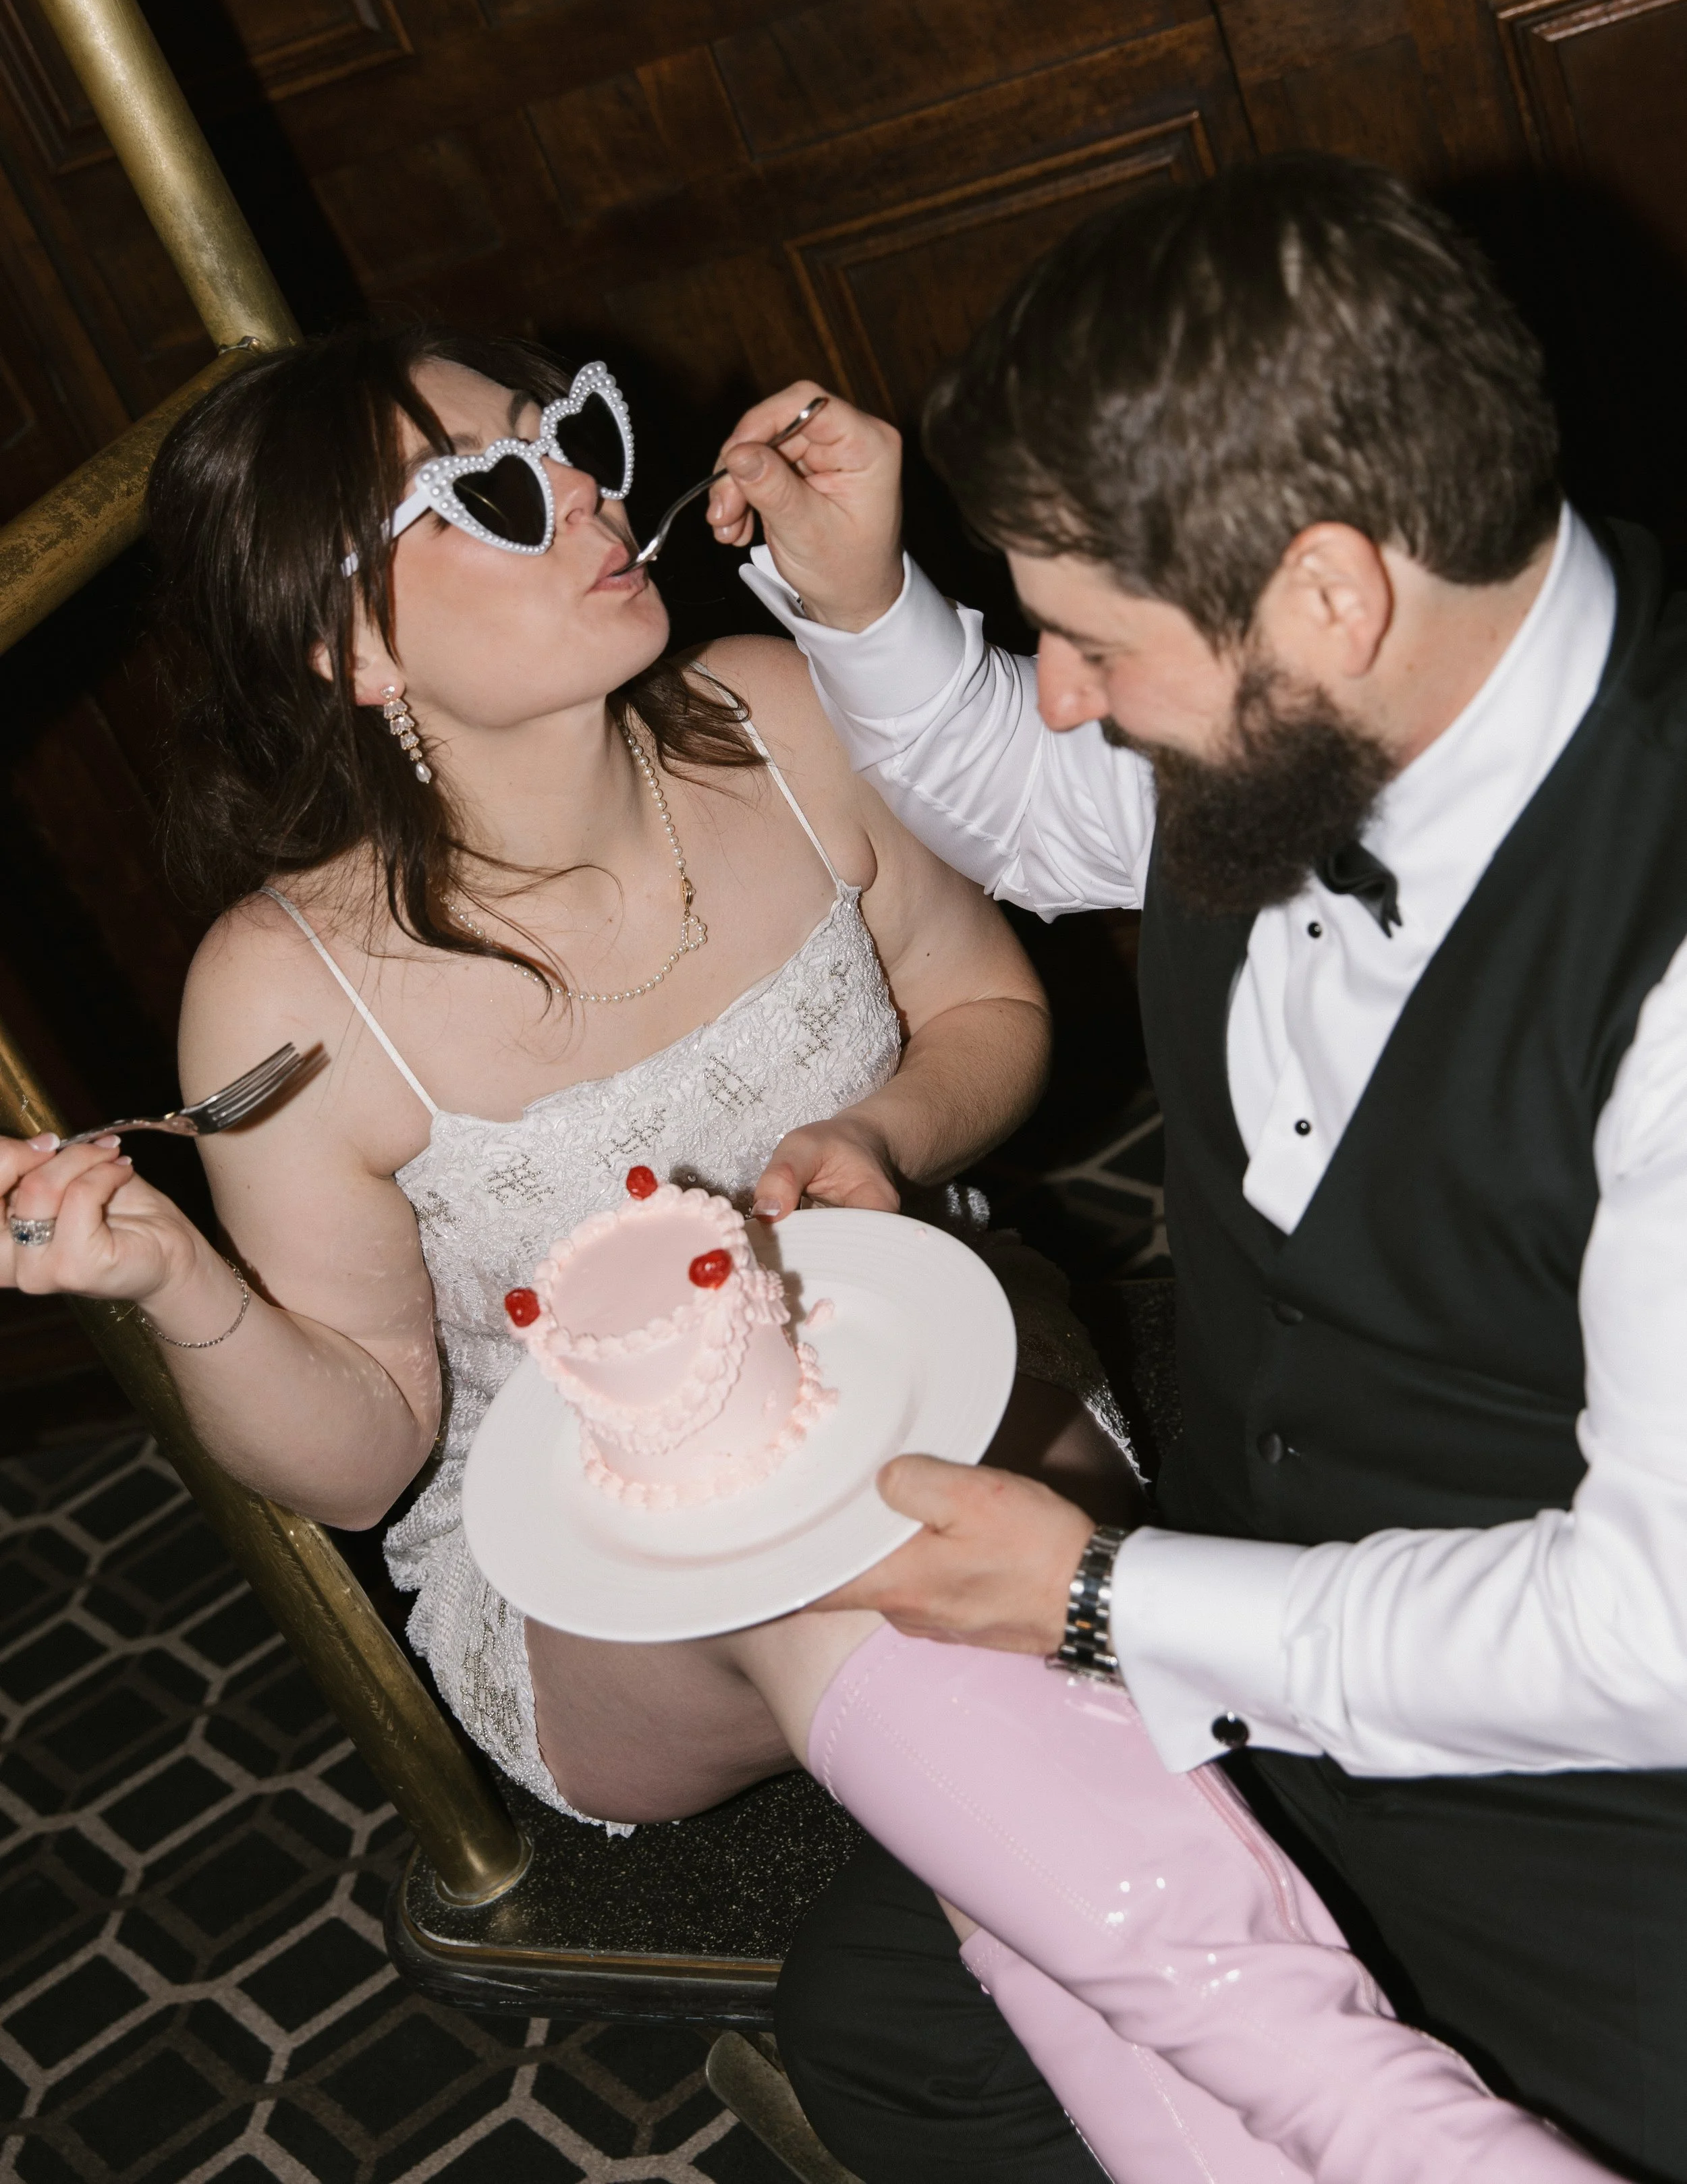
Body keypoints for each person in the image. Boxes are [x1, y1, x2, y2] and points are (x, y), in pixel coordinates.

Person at [0, 318, 1609, 2184]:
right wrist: (175, 1285)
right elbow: (361, 1447)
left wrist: (883, 1134)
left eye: (572, 438)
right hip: (602, 1600)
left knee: (955, 1715)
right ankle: (1389, 2123)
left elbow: (985, 1003)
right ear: (354, 643)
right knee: (821, 1556)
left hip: (957, 1366)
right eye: (500, 491)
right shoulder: (285, 988)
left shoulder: (768, 713)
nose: (591, 489)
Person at [690, 153, 1687, 2183]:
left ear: (1326, 588)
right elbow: (1041, 803)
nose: (1058, 689)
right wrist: (874, 601)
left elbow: (1644, 1635)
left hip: (1592, 1766)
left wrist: (1100, 1600)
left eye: (1085, 640)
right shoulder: (1307, 715)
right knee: (881, 2029)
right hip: (1236, 1613)